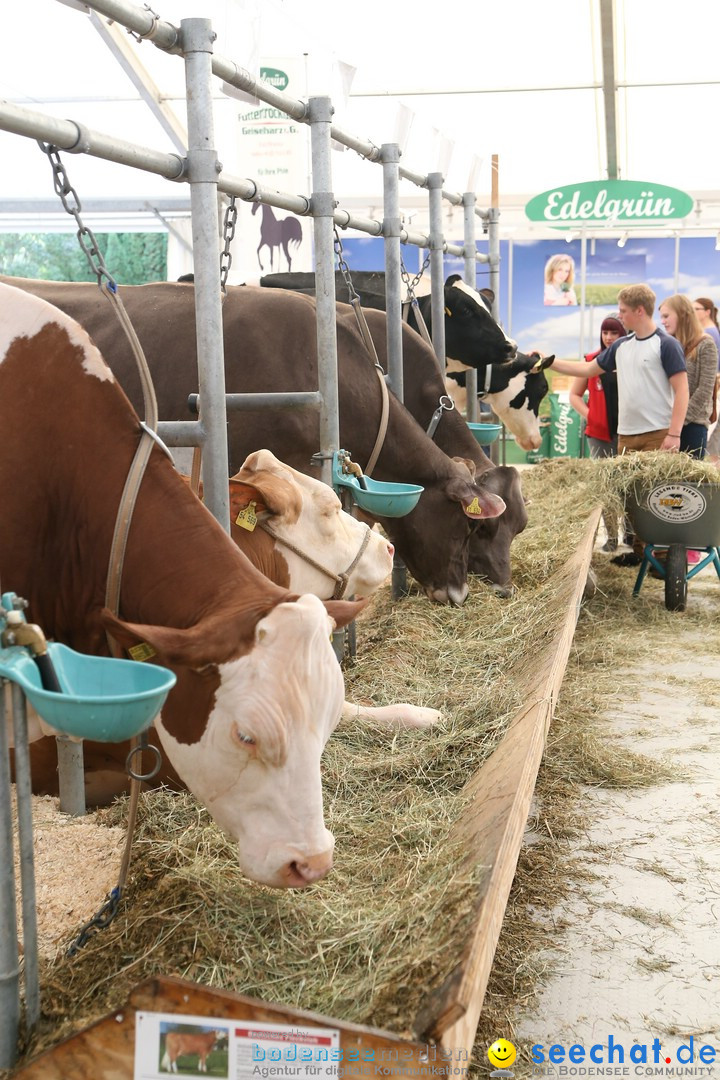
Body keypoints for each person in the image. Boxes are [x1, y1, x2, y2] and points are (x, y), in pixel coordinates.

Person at [547, 283, 689, 566]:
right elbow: (588, 369)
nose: (620, 316)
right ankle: (639, 554)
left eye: (623, 311)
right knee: (632, 499)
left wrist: (674, 433)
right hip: (626, 436)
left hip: (657, 434)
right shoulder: (621, 347)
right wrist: (549, 362)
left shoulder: (667, 345)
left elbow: (682, 390)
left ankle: (661, 560)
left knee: (657, 497)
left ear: (639, 310)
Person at [569, 314, 626, 550]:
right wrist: (590, 415)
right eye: (606, 333)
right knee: (608, 487)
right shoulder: (592, 361)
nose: (609, 338)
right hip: (600, 436)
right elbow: (574, 395)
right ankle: (611, 538)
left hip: (629, 435)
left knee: (629, 487)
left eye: (615, 333)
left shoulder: (631, 360)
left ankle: (632, 535)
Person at [658, 294, 717, 459]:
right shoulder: (668, 345)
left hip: (693, 426)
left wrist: (677, 424)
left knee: (687, 484)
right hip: (667, 425)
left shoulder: (706, 344)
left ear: (682, 314)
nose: (662, 321)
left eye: (666, 316)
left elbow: (704, 391)